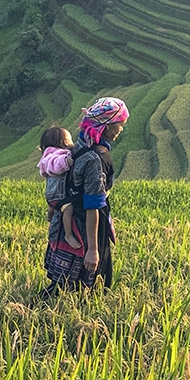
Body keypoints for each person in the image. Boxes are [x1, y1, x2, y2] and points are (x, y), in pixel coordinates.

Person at [64, 97, 129, 288]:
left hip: (75, 217)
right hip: (88, 223)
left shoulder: (82, 145)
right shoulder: (95, 158)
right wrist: (93, 249)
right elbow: (93, 204)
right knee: (93, 281)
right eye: (120, 124)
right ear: (107, 126)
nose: (121, 129)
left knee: (71, 279)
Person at [38, 125, 87, 294]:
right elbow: (55, 165)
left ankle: (50, 213)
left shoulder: (50, 153)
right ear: (62, 142)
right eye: (69, 140)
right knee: (68, 209)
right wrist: (67, 161)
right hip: (58, 197)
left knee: (56, 211)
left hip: (52, 198)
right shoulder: (55, 155)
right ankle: (68, 234)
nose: (71, 143)